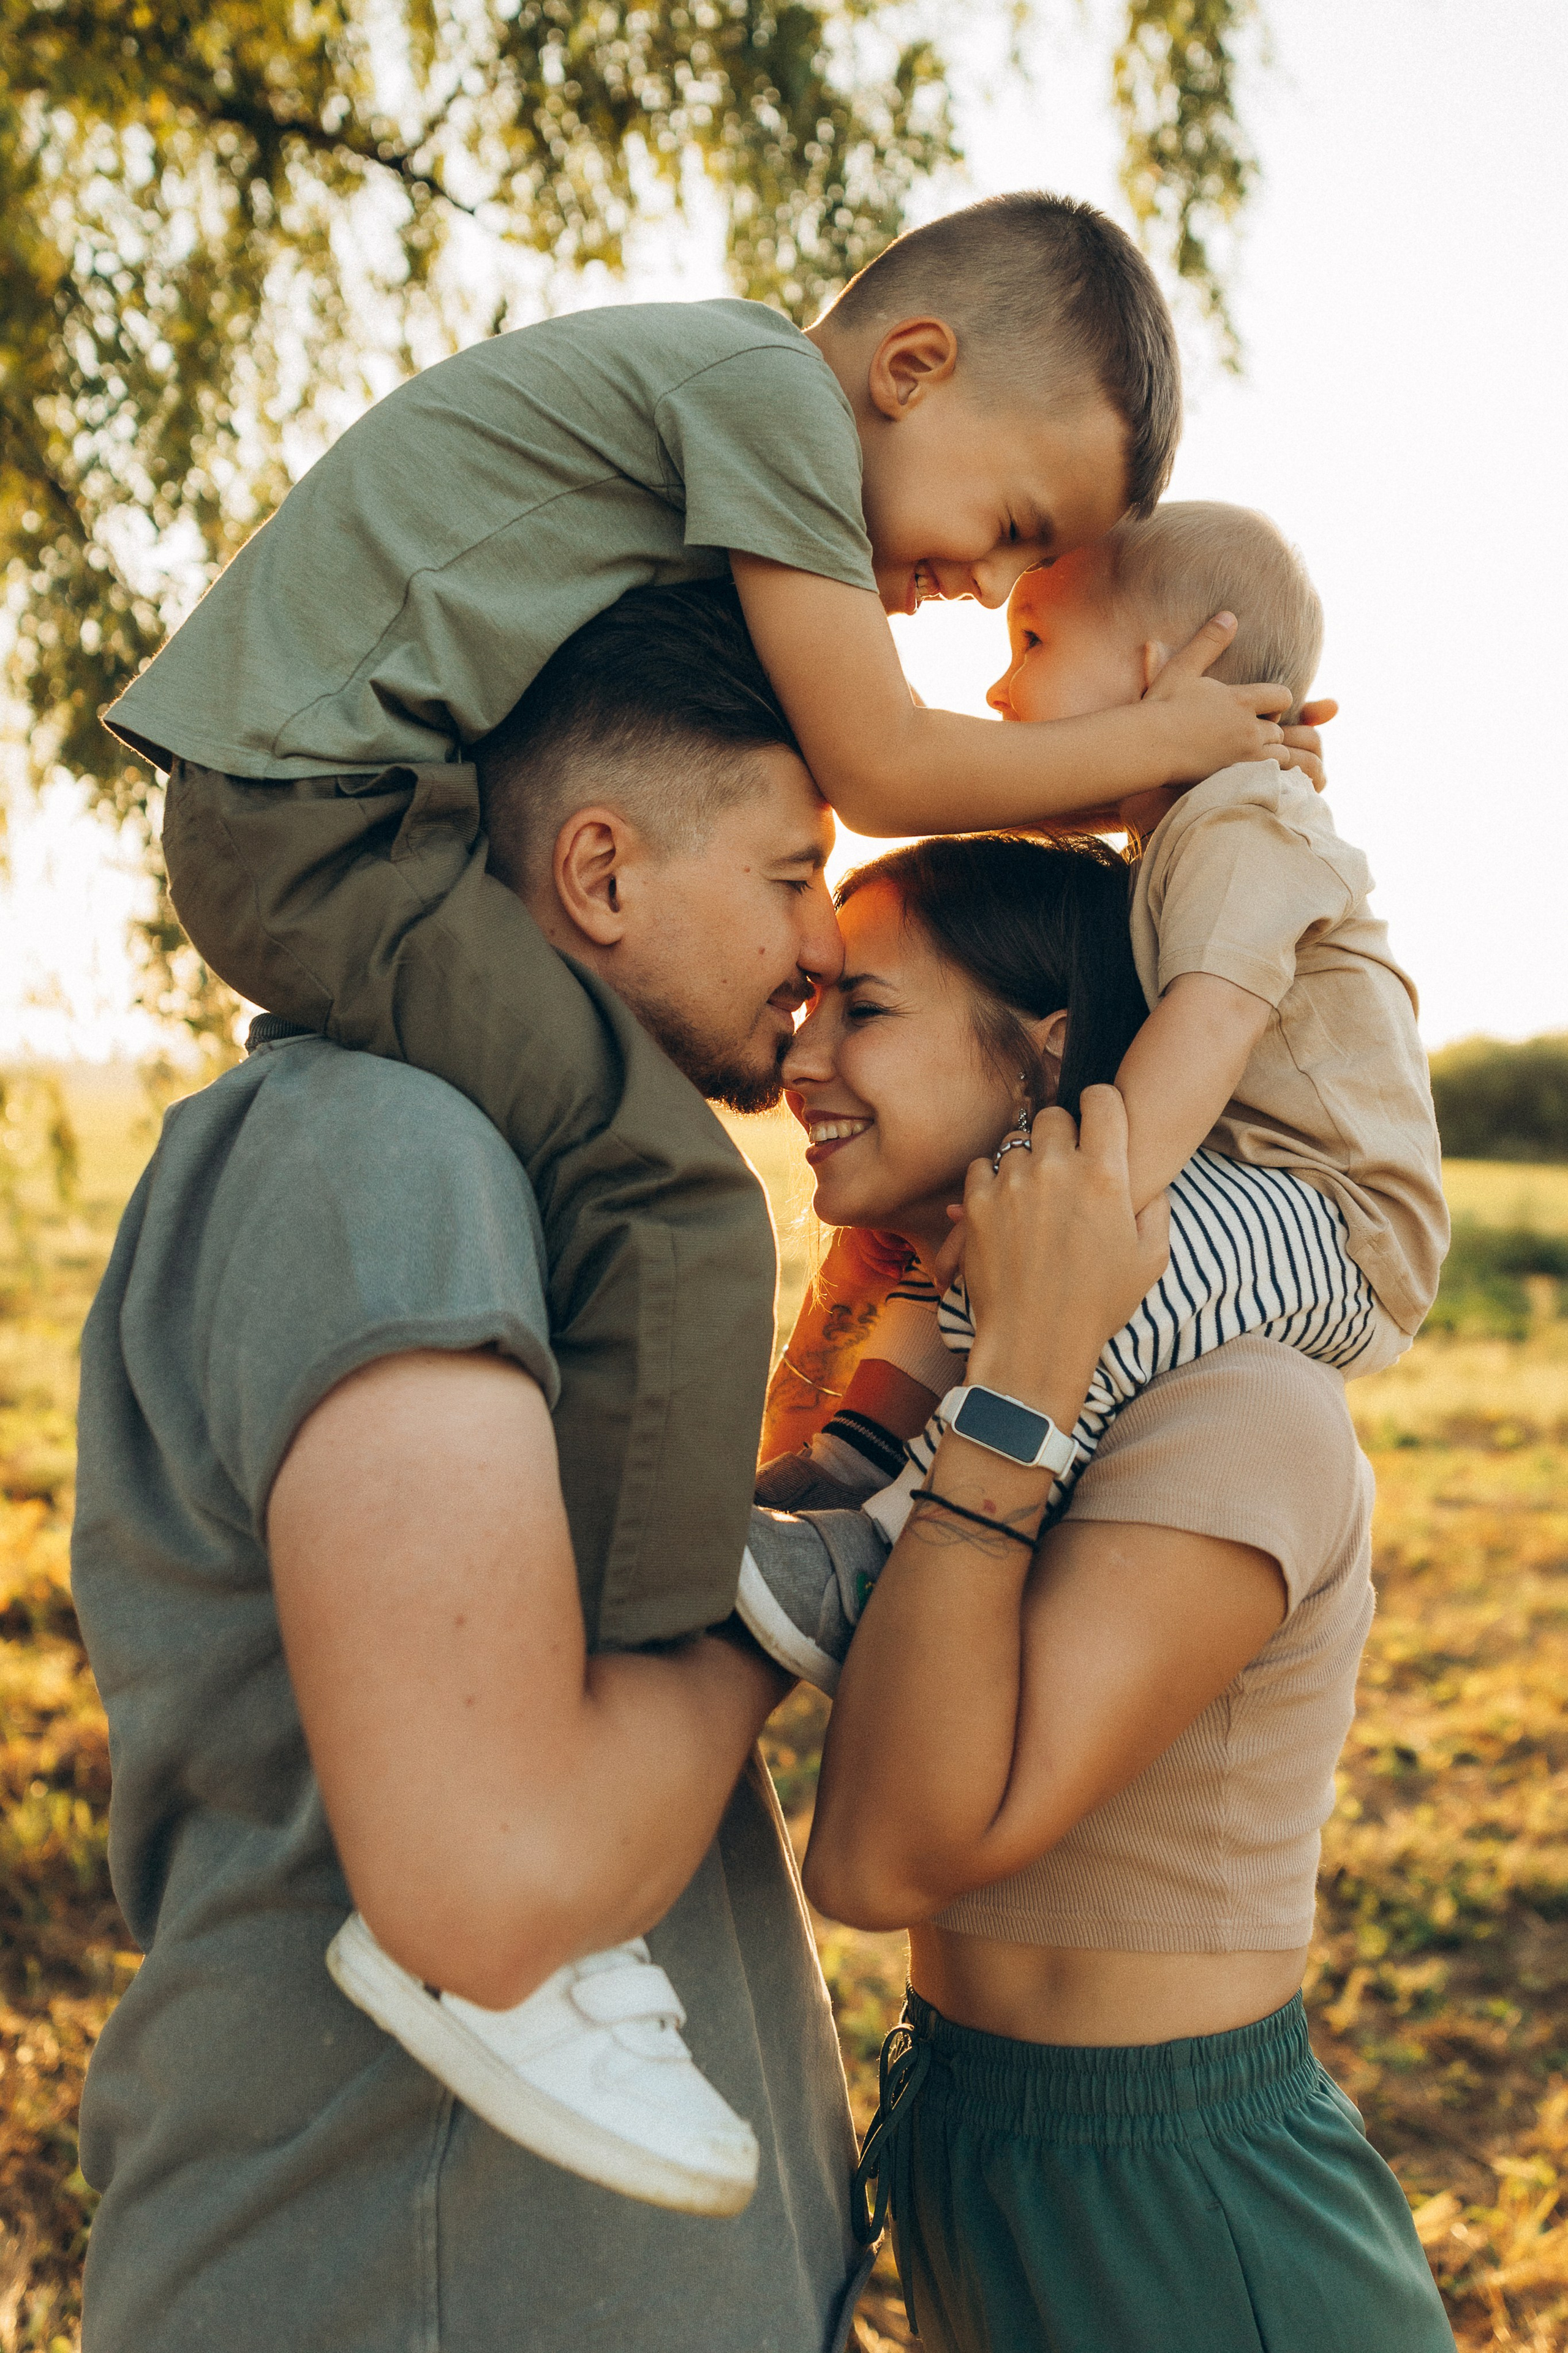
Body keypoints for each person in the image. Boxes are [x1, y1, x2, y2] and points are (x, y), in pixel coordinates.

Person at [100, 193, 1316, 1702]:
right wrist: (1159, 740)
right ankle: (639, 1667)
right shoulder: (768, 403)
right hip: (318, 820)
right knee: (674, 1200)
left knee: (573, 1122)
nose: (990, 590)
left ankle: (562, 1571)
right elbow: (879, 765)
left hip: (349, 810)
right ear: (911, 368)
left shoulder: (718, 429)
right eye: (1009, 528)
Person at [70, 588, 875, 2353]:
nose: (826, 946)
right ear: (599, 874)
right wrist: (797, 1591)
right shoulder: (390, 1153)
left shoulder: (486, 1180)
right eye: (791, 874)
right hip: (410, 2277)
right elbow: (497, 1880)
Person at [742, 847, 1455, 2349]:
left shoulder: (1238, 1409)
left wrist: (1018, 1382)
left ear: (1044, 1047)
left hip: (1183, 2216)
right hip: (978, 2151)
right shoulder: (916, 1355)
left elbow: (876, 1859)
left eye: (859, 1005)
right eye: (804, 999)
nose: (798, 1052)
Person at [750, 502, 1446, 1575]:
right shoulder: (1180, 840)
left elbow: (1210, 1028)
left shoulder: (1242, 820)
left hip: (1339, 1217)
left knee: (1084, 1266)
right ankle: (857, 1454)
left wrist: (1079, 1215)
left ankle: (883, 1540)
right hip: (1260, 1187)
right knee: (983, 1240)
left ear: (1159, 673)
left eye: (1031, 641)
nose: (997, 687)